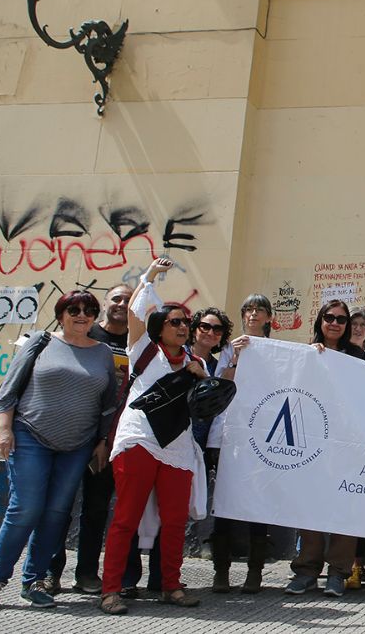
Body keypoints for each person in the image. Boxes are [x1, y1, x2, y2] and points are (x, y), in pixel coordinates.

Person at [0, 291, 118, 615]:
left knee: (56, 513)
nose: (82, 315)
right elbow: (9, 389)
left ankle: (34, 581)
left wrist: (101, 440)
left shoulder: (103, 353)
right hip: (30, 437)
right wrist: (5, 429)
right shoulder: (40, 342)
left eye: (89, 311)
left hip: (77, 445)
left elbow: (108, 401)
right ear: (61, 312)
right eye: (74, 309)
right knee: (25, 508)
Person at [98, 258, 207, 615]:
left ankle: (170, 586)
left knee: (175, 521)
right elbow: (134, 311)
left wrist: (201, 377)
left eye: (186, 322)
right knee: (126, 518)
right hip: (139, 439)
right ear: (160, 327)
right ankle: (110, 590)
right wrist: (150, 277)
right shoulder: (143, 347)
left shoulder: (195, 360)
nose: (182, 326)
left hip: (176, 445)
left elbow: (205, 404)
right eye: (175, 321)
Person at [45, 284, 135, 597]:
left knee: (96, 509)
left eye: (128, 299)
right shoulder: (86, 334)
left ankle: (86, 574)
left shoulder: (138, 342)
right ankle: (49, 572)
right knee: (59, 507)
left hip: (109, 439)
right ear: (104, 305)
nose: (122, 304)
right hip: (71, 435)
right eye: (117, 298)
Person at [286, 300, 365, 598]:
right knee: (310, 506)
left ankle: (338, 573)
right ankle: (306, 570)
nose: (334, 323)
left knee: (344, 505)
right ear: (320, 321)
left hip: (345, 441)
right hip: (312, 440)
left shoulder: (357, 354)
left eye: (341, 320)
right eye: (329, 317)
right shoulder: (307, 353)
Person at [208, 294, 274, 594]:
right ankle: (220, 571)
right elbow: (219, 387)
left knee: (257, 509)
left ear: (269, 318)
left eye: (259, 310)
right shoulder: (225, 348)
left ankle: (254, 572)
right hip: (224, 437)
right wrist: (234, 358)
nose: (253, 315)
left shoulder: (277, 351)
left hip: (260, 439)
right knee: (223, 508)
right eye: (248, 309)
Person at [187, 308, 233, 450]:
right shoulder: (178, 355)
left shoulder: (218, 367)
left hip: (200, 444)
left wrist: (204, 377)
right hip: (171, 438)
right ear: (194, 330)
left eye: (217, 329)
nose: (211, 333)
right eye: (205, 327)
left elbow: (218, 402)